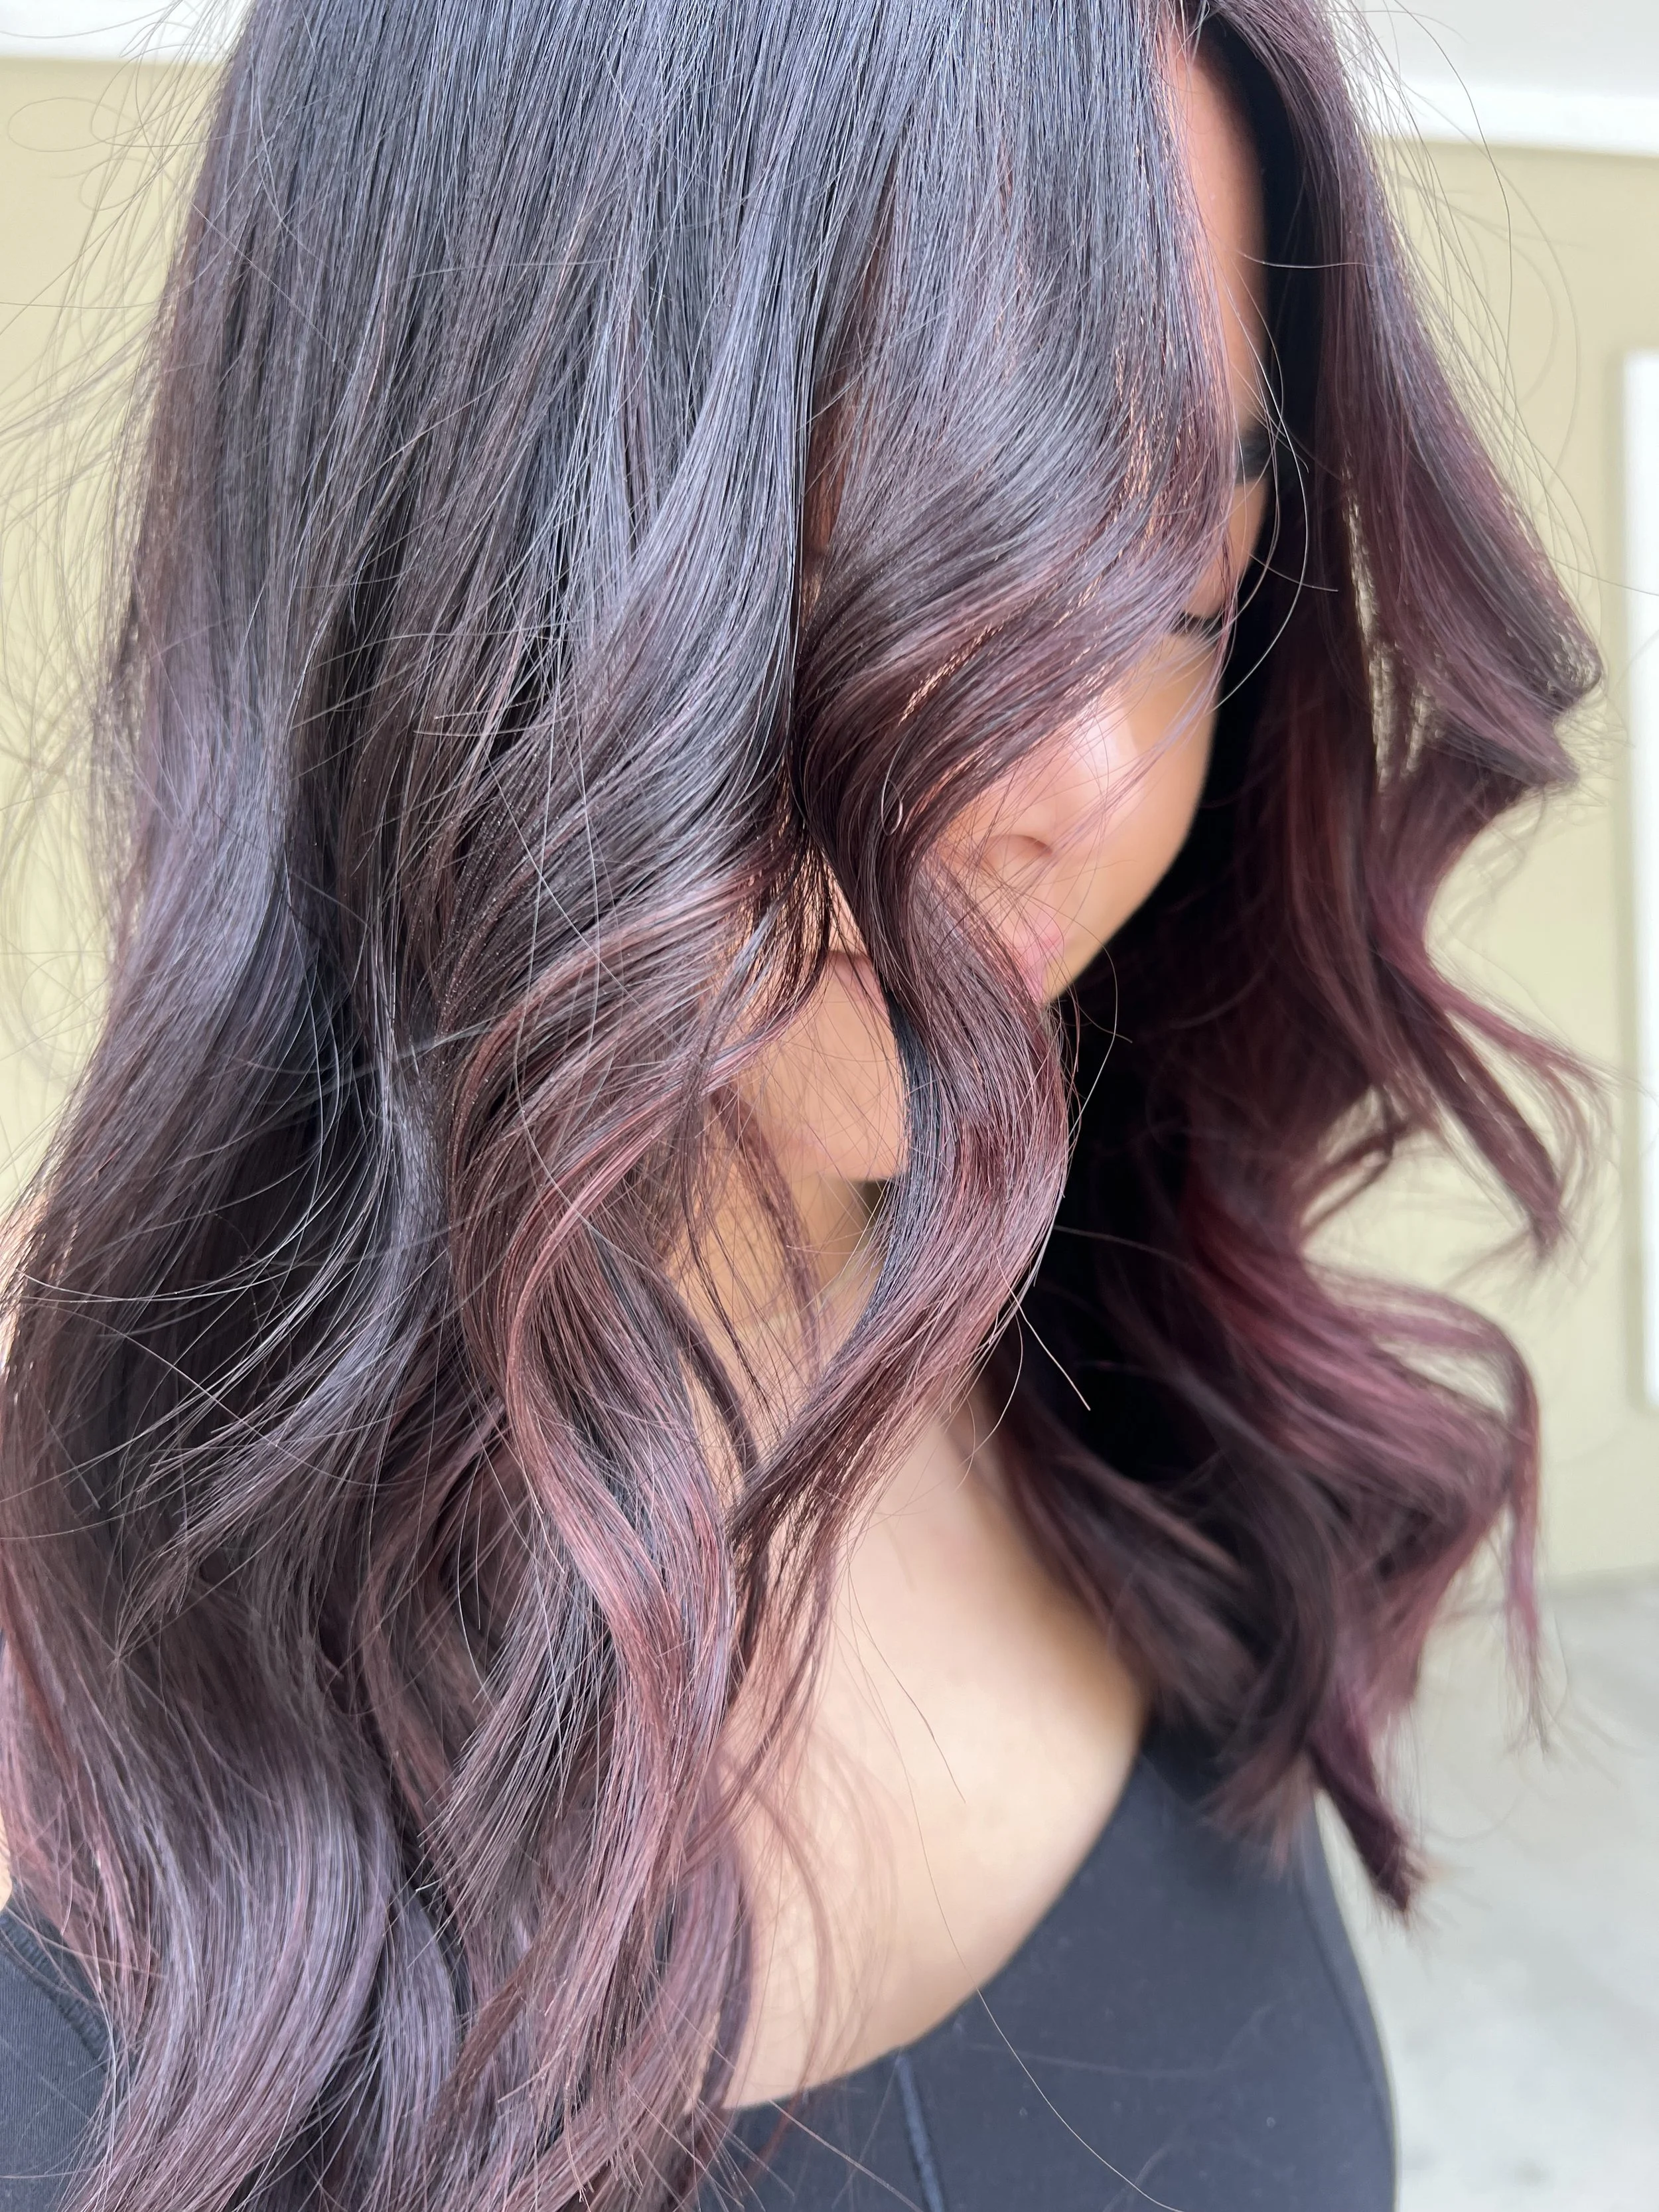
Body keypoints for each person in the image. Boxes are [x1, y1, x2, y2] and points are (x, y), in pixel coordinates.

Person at [0, 1, 1596, 2208]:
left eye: (1173, 592)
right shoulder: (64, 1773)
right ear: (421, 538)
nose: (1079, 785)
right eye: (877, 568)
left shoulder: (1131, 1399)